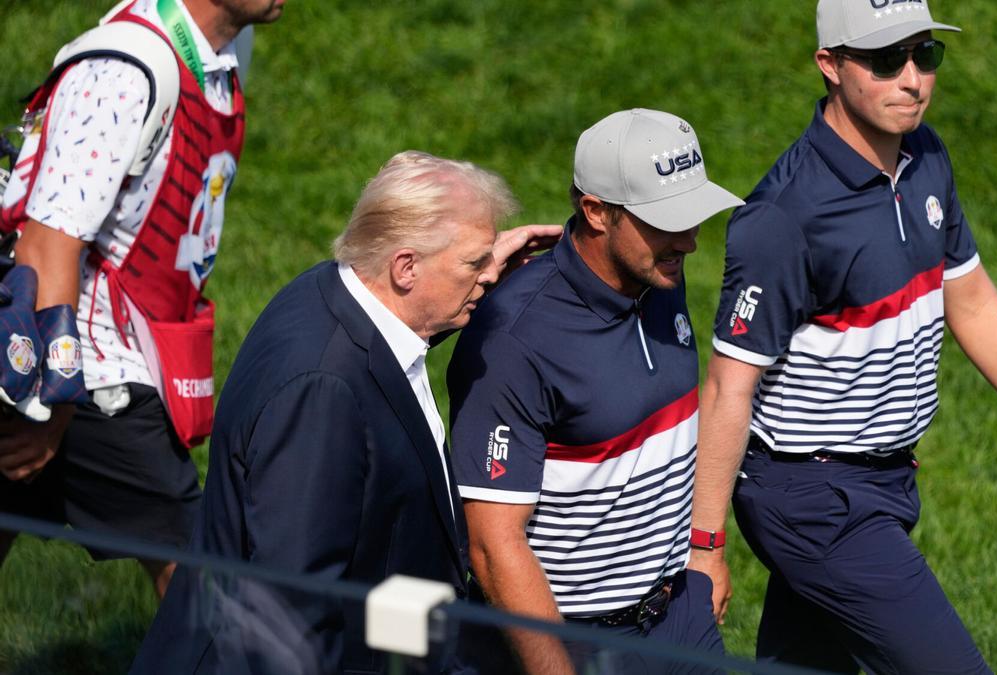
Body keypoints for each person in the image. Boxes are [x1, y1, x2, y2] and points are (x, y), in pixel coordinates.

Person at [688, 1, 997, 673]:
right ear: (829, 66)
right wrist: (704, 546)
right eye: (886, 59)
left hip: (887, 479)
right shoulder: (785, 216)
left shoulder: (925, 159)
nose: (912, 79)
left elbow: (975, 303)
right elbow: (729, 383)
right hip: (813, 497)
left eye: (925, 55)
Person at [129, 150, 561, 674]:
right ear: (405, 266)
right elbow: (291, 614)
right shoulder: (322, 395)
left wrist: (482, 261)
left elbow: (385, 359)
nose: (489, 277)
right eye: (474, 263)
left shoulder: (333, 292)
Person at [0, 0, 283, 598]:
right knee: (199, 577)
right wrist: (59, 409)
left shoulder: (221, 56)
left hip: (96, 360)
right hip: (87, 370)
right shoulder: (125, 70)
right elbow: (47, 247)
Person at [447, 109, 743, 674]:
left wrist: (705, 550)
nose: (690, 242)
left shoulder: (655, 277)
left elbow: (678, 431)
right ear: (597, 212)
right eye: (667, 221)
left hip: (679, 616)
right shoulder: (515, 339)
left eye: (693, 217)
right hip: (573, 643)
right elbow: (493, 545)